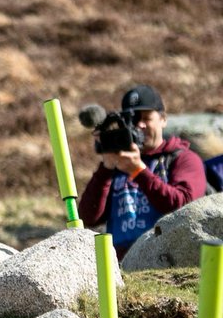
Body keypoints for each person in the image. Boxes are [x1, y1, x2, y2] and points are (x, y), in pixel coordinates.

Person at [78, 84, 207, 257]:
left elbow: (184, 208)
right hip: (120, 264)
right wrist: (106, 168)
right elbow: (89, 217)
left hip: (165, 260)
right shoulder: (118, 164)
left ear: (163, 119)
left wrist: (139, 171)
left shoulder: (183, 159)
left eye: (146, 118)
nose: (140, 125)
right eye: (133, 120)